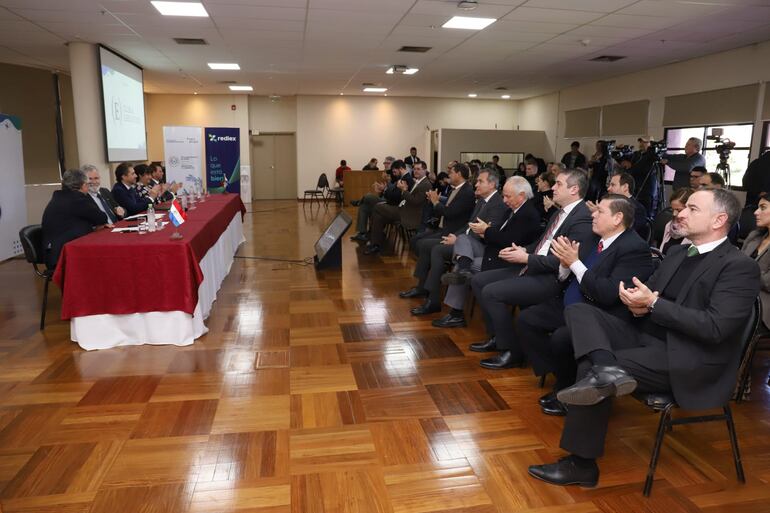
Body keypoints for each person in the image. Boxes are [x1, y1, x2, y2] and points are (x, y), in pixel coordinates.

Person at [528, 188, 759, 488]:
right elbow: (648, 291)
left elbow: (715, 328)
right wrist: (636, 302)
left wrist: (652, 304)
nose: (681, 213)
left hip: (687, 357)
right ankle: (606, 369)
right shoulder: (677, 252)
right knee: (580, 312)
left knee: (589, 367)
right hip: (646, 335)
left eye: (692, 208)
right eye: (684, 207)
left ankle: (582, 465)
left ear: (719, 220)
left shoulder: (739, 267)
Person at [517, 195, 654, 416]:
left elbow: (608, 294)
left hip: (599, 314)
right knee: (527, 319)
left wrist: (574, 263)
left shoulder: (633, 248)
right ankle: (561, 375)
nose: (593, 214)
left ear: (618, 218)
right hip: (572, 304)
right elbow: (570, 276)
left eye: (600, 211)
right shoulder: (597, 239)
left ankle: (567, 387)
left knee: (562, 338)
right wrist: (565, 265)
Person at [469, 169, 597, 369]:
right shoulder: (561, 212)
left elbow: (565, 260)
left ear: (574, 189)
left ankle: (512, 351)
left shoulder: (583, 218)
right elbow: (541, 244)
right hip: (534, 266)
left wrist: (527, 257)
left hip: (552, 278)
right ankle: (498, 336)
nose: (552, 187)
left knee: (492, 293)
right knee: (478, 280)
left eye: (558, 184)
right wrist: (523, 250)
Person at [432, 176, 541, 328]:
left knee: (463, 265)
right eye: (504, 196)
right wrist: (486, 231)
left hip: (505, 260)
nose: (504, 200)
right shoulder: (513, 210)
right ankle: (463, 269)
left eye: (508, 196)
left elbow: (509, 241)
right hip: (492, 251)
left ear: (521, 196)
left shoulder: (527, 214)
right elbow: (499, 232)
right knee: (463, 238)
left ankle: (456, 313)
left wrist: (487, 231)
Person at [406, 169, 508, 316]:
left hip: (479, 247)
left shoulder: (497, 204)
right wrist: (456, 235)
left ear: (492, 184)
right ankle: (422, 287)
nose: (476, 184)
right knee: (427, 245)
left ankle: (433, 300)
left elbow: (486, 233)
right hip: (466, 240)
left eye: (480, 181)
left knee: (437, 250)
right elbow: (469, 225)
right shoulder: (482, 201)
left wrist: (458, 239)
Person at [398, 162, 476, 307]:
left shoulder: (467, 192)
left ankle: (428, 291)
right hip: (446, 230)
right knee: (419, 242)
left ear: (459, 174)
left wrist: (435, 202)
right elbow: (452, 206)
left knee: (426, 245)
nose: (449, 175)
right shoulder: (459, 189)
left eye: (451, 172)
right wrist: (438, 199)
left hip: (452, 233)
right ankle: (422, 285)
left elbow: (450, 212)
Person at [41, 169, 110, 268]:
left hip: (54, 252)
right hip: (64, 255)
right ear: (82, 185)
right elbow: (102, 217)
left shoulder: (59, 197)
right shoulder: (77, 199)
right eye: (87, 184)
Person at [366, 161, 431, 252]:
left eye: (418, 169)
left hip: (409, 214)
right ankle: (375, 244)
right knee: (379, 215)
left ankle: (373, 240)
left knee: (377, 207)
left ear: (425, 170)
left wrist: (404, 190)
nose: (415, 171)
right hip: (403, 209)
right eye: (414, 169)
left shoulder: (426, 184)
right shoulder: (418, 182)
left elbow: (415, 201)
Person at [741, 191, 770, 330]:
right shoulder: (755, 235)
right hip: (739, 294)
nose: (756, 212)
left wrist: (747, 269)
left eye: (763, 207)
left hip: (762, 306)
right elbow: (736, 265)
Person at [604, 172, 649, 237]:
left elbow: (626, 232)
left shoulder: (638, 209)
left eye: (613, 185)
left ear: (625, 187)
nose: (608, 189)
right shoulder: (607, 204)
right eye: (609, 185)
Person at [659, 188, 692, 254]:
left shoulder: (696, 232)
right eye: (672, 210)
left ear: (691, 209)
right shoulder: (669, 225)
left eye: (679, 210)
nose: (674, 214)